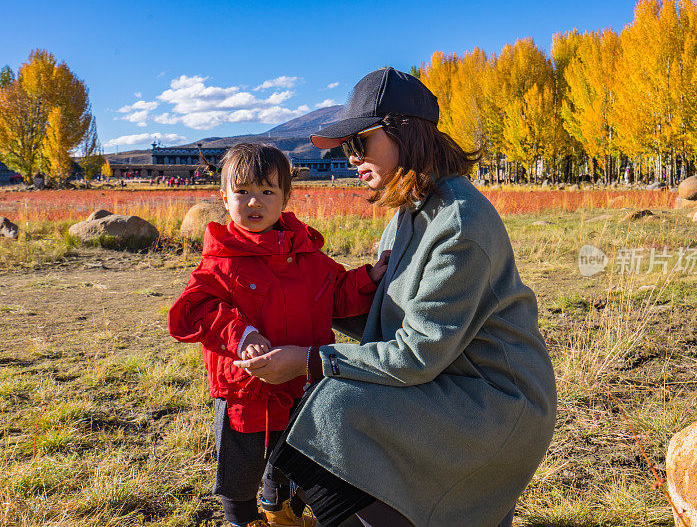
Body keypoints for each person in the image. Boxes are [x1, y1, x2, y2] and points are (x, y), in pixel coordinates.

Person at [234, 68, 557, 526]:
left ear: (405, 133)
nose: (351, 159)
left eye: (358, 143)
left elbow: (417, 354)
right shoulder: (407, 213)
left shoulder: (458, 224)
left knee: (335, 406)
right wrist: (287, 298)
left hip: (495, 404)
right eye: (347, 148)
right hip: (445, 384)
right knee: (332, 405)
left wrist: (308, 358)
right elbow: (385, 314)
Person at [167, 143, 390, 527]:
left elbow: (335, 292)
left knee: (293, 454)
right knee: (240, 464)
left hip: (300, 381)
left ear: (286, 198)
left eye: (267, 192)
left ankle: (281, 512)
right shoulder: (221, 260)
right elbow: (192, 312)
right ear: (224, 197)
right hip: (243, 388)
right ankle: (241, 519)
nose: (255, 202)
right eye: (242, 192)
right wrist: (240, 334)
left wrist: (367, 280)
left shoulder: (307, 255)